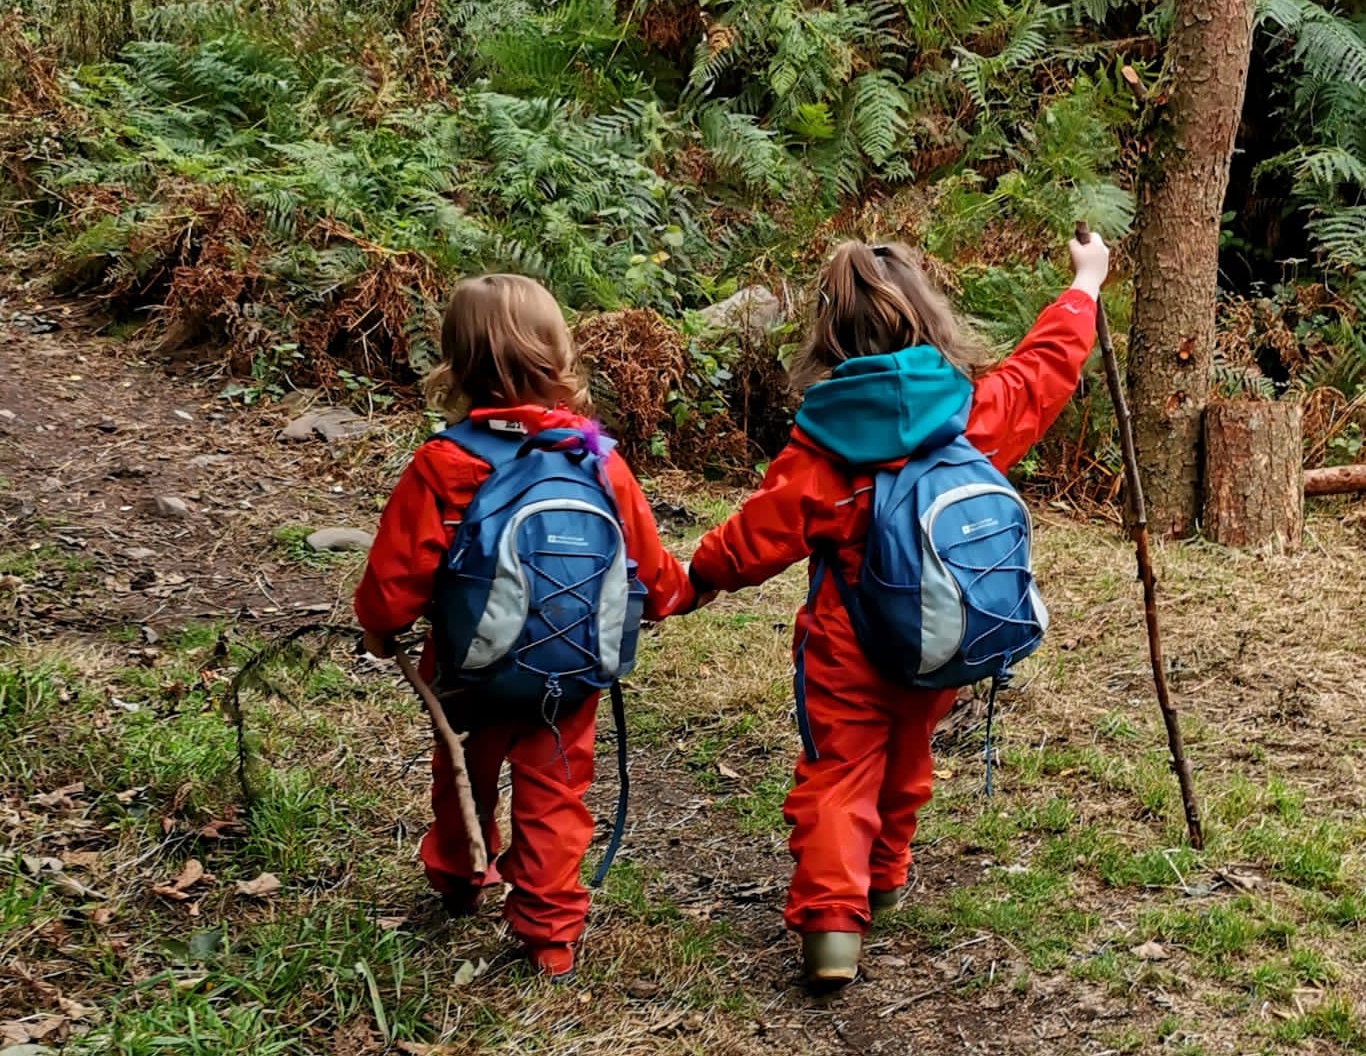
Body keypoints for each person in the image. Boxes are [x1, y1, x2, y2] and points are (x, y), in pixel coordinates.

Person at [686, 232, 1109, 987]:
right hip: (940, 639)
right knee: (910, 759)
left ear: (829, 336)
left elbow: (756, 537)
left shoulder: (820, 449)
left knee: (838, 776)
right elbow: (1043, 371)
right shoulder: (970, 414)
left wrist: (697, 578)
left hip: (847, 651)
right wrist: (1086, 284)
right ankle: (883, 877)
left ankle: (831, 930)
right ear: (930, 319)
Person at [355, 272, 693, 978]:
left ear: (456, 364)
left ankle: (457, 873)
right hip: (568, 672)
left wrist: (381, 629)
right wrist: (667, 599)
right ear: (558, 357)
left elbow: (396, 576)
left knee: (461, 771)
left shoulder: (443, 463)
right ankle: (549, 935)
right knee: (556, 792)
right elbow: (652, 571)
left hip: (465, 667)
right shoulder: (597, 461)